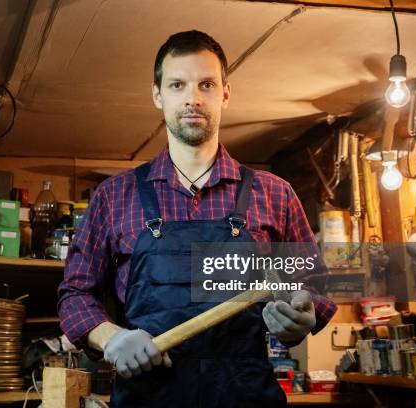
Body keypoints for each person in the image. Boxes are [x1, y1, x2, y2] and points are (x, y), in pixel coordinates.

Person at [58, 30, 337, 407]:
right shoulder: (114, 196)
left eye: (206, 84)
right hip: (148, 398)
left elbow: (313, 285)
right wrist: (111, 337)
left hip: (245, 397)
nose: (193, 98)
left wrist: (301, 317)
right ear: (157, 95)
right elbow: (76, 294)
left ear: (225, 93)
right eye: (177, 85)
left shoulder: (274, 194)